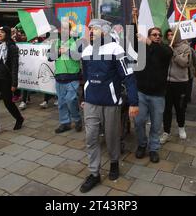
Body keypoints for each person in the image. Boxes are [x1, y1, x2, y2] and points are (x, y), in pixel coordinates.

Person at [79, 19, 139, 193]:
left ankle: (114, 163)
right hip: (91, 102)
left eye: (94, 29)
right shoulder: (87, 50)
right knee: (90, 137)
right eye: (89, 29)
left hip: (111, 102)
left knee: (112, 137)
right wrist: (83, 97)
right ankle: (94, 173)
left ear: (104, 31)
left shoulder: (116, 49)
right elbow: (86, 76)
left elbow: (129, 76)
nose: (90, 31)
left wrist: (134, 102)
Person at [134, 28, 172, 163]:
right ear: (148, 35)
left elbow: (166, 52)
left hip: (158, 95)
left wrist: (150, 42)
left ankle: (154, 148)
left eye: (159, 35)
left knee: (156, 124)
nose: (157, 37)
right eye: (154, 35)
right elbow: (133, 38)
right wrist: (134, 21)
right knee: (139, 121)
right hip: (141, 93)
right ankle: (142, 144)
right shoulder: (142, 49)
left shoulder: (165, 49)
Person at [0, 25, 24, 139]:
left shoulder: (12, 47)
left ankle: (19, 118)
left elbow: (14, 66)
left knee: (8, 102)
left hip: (5, 79)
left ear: (7, 34)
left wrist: (14, 83)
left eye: (2, 32)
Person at [48, 20, 83, 134]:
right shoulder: (56, 42)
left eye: (66, 29)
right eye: (62, 29)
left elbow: (79, 56)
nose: (63, 31)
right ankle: (65, 123)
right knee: (61, 103)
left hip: (72, 77)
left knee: (71, 100)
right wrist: (58, 51)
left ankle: (77, 119)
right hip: (59, 77)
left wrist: (67, 51)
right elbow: (50, 57)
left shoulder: (76, 41)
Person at [161, 29, 191, 144]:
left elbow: (184, 63)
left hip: (181, 82)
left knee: (180, 107)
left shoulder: (185, 47)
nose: (170, 36)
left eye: (172, 34)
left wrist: (173, 52)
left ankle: (181, 127)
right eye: (168, 34)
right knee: (166, 109)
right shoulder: (165, 46)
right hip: (167, 83)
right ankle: (166, 131)